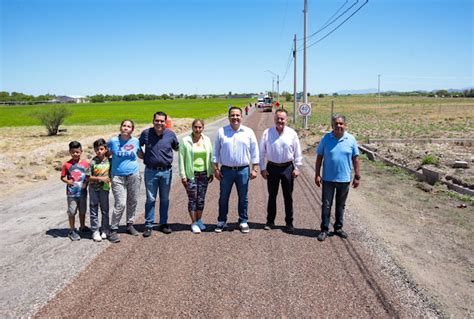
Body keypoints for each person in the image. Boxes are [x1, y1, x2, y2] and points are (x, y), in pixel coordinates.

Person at [213, 106, 259, 233]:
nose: (235, 118)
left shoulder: (248, 132)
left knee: (243, 197)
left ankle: (243, 220)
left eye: (237, 115)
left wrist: (255, 168)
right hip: (226, 170)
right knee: (223, 197)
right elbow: (215, 151)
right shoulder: (221, 132)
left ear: (241, 117)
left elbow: (255, 151)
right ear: (228, 117)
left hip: (243, 170)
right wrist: (215, 169)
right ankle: (221, 221)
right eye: (232, 115)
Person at [314, 115, 360, 241]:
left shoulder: (351, 139)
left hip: (344, 179)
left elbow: (355, 159)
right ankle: (324, 229)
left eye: (341, 123)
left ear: (345, 125)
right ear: (332, 125)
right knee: (326, 205)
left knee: (341, 205)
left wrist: (357, 176)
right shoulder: (326, 138)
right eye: (336, 123)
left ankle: (338, 228)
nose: (339, 126)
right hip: (328, 179)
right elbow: (319, 158)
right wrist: (317, 174)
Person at [259, 108, 302, 233]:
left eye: (282, 118)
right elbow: (261, 152)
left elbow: (297, 152)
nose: (280, 121)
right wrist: (262, 168)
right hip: (272, 168)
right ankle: (270, 221)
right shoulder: (267, 133)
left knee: (288, 196)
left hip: (287, 168)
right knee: (272, 196)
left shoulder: (292, 133)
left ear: (286, 120)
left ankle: (289, 223)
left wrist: (298, 167)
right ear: (274, 119)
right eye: (278, 118)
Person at [139, 111, 179, 237]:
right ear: (153, 121)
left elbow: (177, 147)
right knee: (150, 199)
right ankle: (149, 225)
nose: (159, 123)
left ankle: (163, 223)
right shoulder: (146, 133)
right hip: (150, 171)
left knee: (165, 199)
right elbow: (137, 145)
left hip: (166, 171)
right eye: (157, 120)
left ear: (165, 122)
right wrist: (143, 156)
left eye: (162, 121)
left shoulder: (170, 134)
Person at [107, 119, 142, 243]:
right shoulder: (113, 141)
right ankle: (113, 229)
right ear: (120, 127)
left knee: (133, 200)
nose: (126, 128)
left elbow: (140, 155)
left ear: (132, 129)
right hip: (117, 176)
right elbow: (106, 154)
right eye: (124, 125)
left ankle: (129, 224)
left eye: (129, 126)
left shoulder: (136, 141)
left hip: (133, 174)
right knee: (120, 203)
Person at [178, 119, 214, 234]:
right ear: (192, 127)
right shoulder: (185, 141)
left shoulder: (207, 140)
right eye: (195, 127)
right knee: (192, 199)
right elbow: (181, 159)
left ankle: (199, 220)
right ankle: (193, 222)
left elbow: (210, 156)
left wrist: (211, 171)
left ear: (203, 128)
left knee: (201, 199)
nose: (197, 129)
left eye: (200, 127)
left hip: (204, 174)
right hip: (191, 175)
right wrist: (183, 175)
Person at [60, 141, 90, 241]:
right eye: (73, 152)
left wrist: (86, 184)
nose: (75, 154)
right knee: (72, 211)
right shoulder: (67, 165)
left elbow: (88, 176)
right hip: (72, 193)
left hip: (82, 192)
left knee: (83, 210)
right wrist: (67, 181)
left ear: (81, 151)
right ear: (70, 152)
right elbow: (62, 177)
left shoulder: (85, 164)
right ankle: (72, 230)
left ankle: (82, 226)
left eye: (77, 152)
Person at [86, 138, 111, 242]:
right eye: (97, 149)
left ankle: (105, 229)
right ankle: (95, 231)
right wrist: (100, 179)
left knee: (105, 210)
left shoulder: (109, 161)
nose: (99, 151)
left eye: (101, 149)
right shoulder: (92, 162)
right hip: (93, 189)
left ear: (105, 149)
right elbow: (88, 177)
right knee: (94, 209)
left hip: (104, 189)